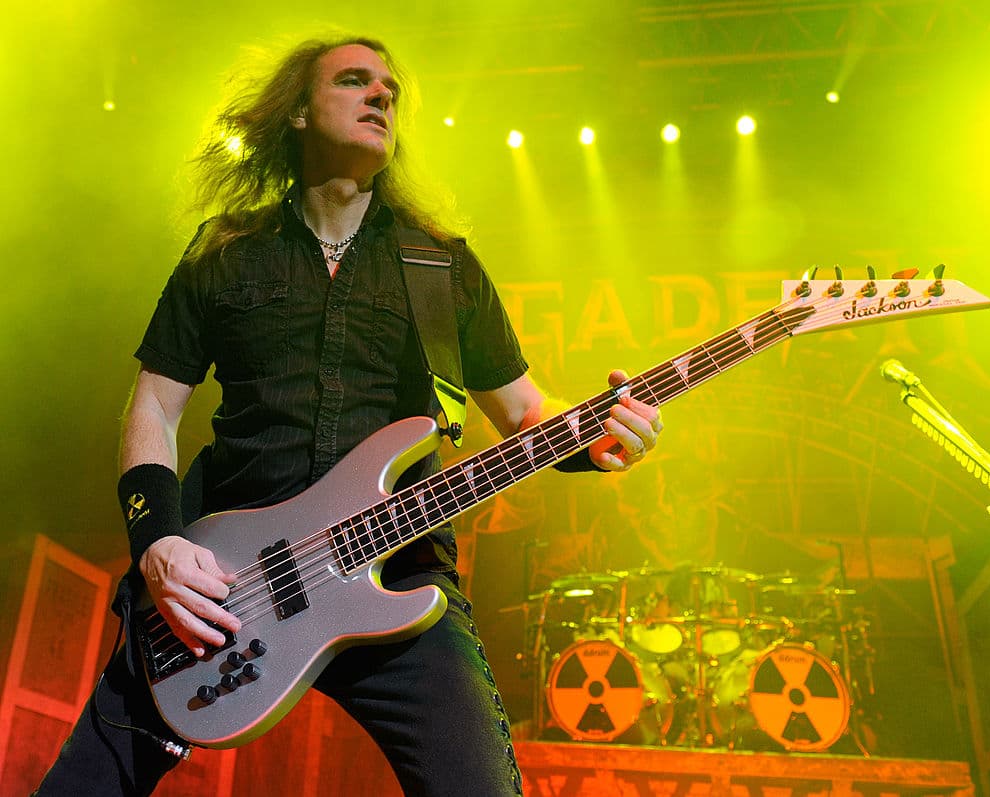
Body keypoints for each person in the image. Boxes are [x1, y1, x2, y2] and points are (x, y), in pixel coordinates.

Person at [35, 34, 663, 796]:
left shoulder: (441, 263)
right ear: (298, 112)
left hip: (398, 571)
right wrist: (158, 544)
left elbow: (526, 412)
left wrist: (599, 434)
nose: (382, 95)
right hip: (228, 582)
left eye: (390, 88)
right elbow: (153, 406)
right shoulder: (226, 251)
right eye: (355, 80)